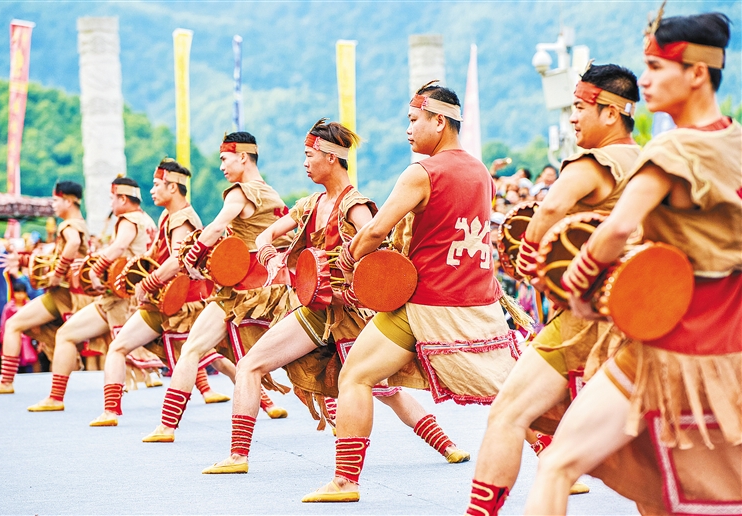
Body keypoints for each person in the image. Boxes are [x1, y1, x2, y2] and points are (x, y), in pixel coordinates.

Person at [525, 11, 741, 515]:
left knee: (557, 464)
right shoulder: (732, 140)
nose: (645, 79)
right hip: (728, 349)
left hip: (671, 347)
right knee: (669, 493)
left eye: (655, 66)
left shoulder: (675, 148)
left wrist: (574, 286)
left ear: (695, 73)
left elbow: (616, 229)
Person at [201, 119, 468, 475]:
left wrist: (359, 276)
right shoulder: (310, 205)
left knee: (385, 391)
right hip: (312, 309)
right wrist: (271, 258)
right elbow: (266, 237)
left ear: (330, 157)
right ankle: (238, 456)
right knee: (250, 364)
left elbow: (382, 254)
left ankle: (446, 445)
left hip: (352, 316)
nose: (305, 163)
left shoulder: (356, 206)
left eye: (310, 155)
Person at [303, 83, 519, 502]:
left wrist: (348, 259)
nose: (408, 129)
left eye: (414, 120)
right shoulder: (480, 171)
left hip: (426, 303)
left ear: (439, 121)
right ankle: (564, 462)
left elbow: (377, 229)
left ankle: (345, 482)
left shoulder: (422, 172)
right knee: (512, 390)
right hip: (479, 302)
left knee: (355, 376)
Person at [465, 63, 642, 514]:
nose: (573, 118)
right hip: (636, 318)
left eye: (581, 108)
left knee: (507, 414)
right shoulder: (646, 161)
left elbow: (550, 210)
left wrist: (527, 256)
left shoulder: (594, 162)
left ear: (612, 113)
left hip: (584, 322)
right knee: (648, 462)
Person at [142, 132, 292, 442]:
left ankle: (168, 427)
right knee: (294, 360)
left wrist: (192, 255)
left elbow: (217, 227)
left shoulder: (240, 192)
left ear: (242, 157)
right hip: (271, 293)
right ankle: (333, 419)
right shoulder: (274, 195)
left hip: (240, 293)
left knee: (195, 350)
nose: (221, 165)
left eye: (224, 158)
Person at [88, 159, 223, 426]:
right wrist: (136, 272)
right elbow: (156, 253)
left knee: (208, 354)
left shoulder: (180, 219)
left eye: (157, 184)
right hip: (170, 299)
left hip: (179, 302)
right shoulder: (166, 216)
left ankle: (115, 412)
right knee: (212, 355)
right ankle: (263, 399)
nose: (151, 190)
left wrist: (146, 282)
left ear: (173, 187)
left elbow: (177, 260)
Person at [25, 177, 157, 412]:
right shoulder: (147, 219)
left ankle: (66, 400)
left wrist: (94, 269)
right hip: (132, 296)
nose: (110, 203)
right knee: (180, 345)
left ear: (123, 199)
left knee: (75, 337)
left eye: (111, 198)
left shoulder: (127, 220)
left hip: (120, 299)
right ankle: (213, 385)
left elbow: (117, 247)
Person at [0, 181, 92, 395]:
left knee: (15, 325)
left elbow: (71, 245)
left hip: (66, 295)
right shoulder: (80, 223)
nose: (53, 205)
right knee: (29, 328)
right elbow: (52, 257)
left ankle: (8, 382)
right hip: (65, 295)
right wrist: (24, 260)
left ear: (68, 201)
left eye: (57, 200)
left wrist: (57, 274)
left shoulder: (69, 226)